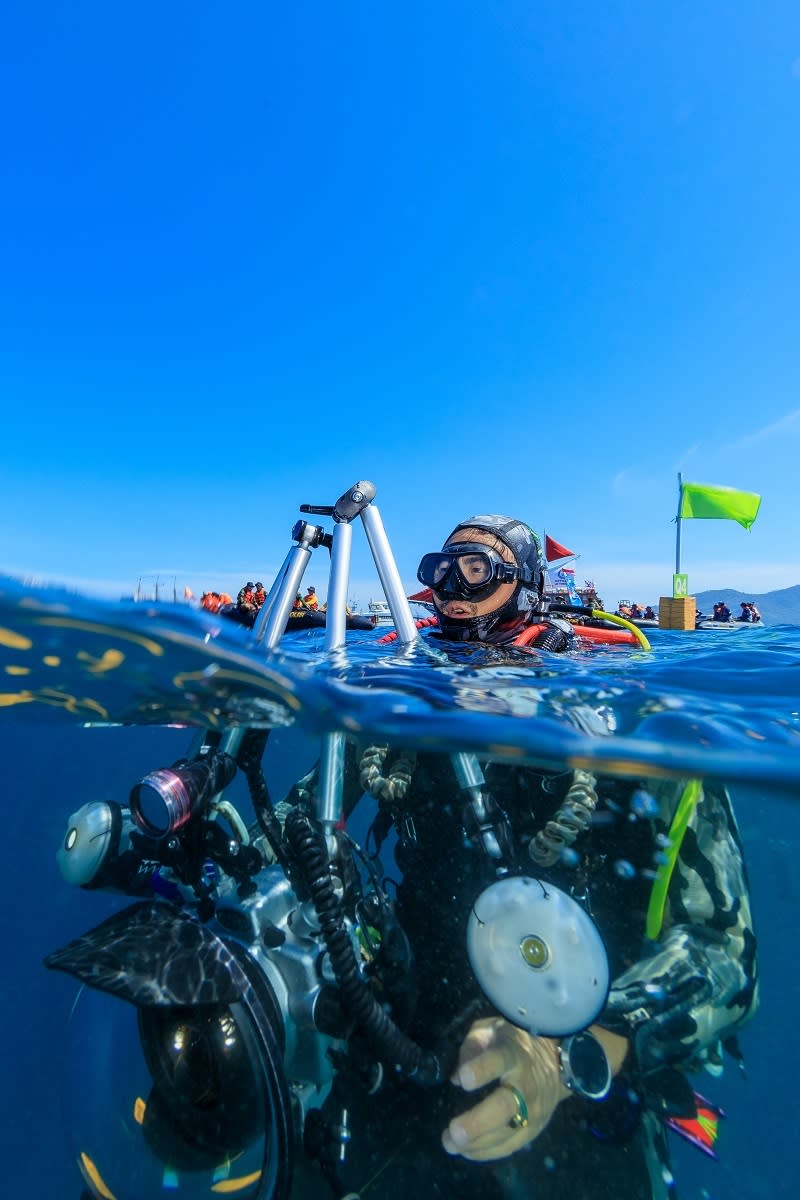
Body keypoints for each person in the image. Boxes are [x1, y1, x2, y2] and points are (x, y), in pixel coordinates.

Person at [292, 515, 758, 1200]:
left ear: (528, 586)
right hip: (410, 1049)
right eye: (440, 569)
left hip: (573, 1099)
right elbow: (304, 822)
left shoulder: (627, 717)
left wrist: (571, 1054)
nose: (452, 587)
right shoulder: (403, 710)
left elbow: (727, 953)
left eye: (477, 569)